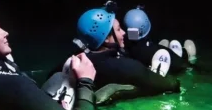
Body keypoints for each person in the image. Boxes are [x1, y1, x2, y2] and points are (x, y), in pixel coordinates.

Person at [49, 7, 180, 98]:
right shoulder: (126, 67)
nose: (123, 33)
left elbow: (50, 78)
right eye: (118, 29)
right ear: (106, 37)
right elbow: (172, 84)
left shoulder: (71, 61)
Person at [122, 6, 197, 74]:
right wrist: (189, 66)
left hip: (146, 58)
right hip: (173, 62)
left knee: (164, 45)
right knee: (182, 49)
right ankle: (189, 56)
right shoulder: (152, 50)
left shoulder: (126, 48)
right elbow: (179, 63)